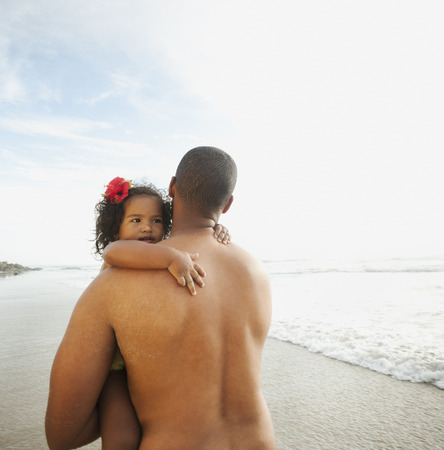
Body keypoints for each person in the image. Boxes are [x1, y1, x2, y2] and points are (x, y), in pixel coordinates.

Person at [45, 146, 276, 449]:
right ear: (228, 204)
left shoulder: (115, 282)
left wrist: (121, 388)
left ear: (171, 188)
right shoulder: (256, 272)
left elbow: (63, 434)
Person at [93, 177, 231, 448]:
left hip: (146, 357)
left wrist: (217, 228)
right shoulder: (121, 251)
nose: (147, 227)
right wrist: (172, 257)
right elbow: (112, 252)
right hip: (115, 362)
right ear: (115, 228)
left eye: (156, 220)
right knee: (121, 435)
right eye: (136, 221)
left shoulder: (158, 248)